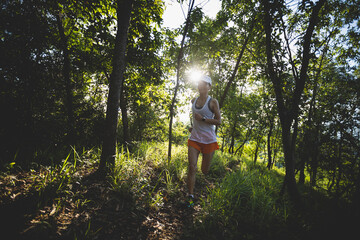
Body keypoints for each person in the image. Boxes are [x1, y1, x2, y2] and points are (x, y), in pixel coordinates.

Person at [187, 75, 221, 207]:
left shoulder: (213, 102)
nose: (201, 85)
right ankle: (190, 198)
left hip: (209, 140)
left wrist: (202, 119)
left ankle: (204, 175)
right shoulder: (193, 100)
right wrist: (194, 127)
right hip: (195, 138)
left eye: (205, 84)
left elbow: (219, 121)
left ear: (209, 87)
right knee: (192, 168)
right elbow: (195, 118)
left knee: (204, 170)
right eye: (200, 83)